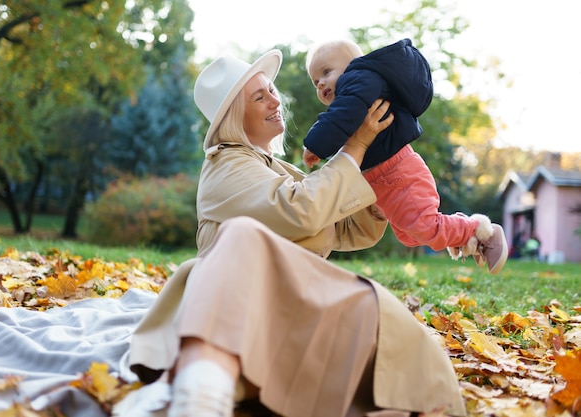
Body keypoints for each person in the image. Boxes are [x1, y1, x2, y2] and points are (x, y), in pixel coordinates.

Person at [113, 50, 467, 417]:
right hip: (242, 303)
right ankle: (200, 396)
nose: (275, 99)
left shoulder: (276, 168)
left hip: (295, 300)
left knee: (379, 313)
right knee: (242, 235)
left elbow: (343, 229)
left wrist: (382, 193)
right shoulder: (226, 164)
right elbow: (303, 210)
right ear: (235, 115)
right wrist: (355, 147)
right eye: (259, 96)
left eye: (272, 89)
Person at [303, 38, 507, 274]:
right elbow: (345, 129)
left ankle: (483, 232)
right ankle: (460, 230)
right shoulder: (352, 98)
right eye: (315, 81)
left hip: (397, 170)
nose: (320, 84)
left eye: (326, 72)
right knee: (410, 234)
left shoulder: (358, 80)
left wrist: (314, 144)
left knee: (423, 226)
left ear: (353, 64)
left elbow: (340, 117)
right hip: (383, 180)